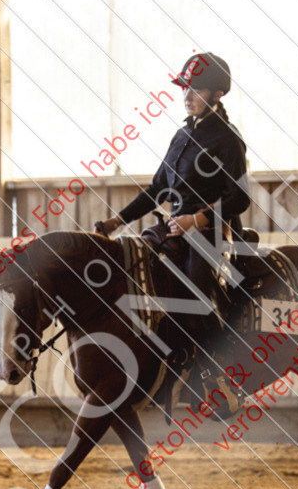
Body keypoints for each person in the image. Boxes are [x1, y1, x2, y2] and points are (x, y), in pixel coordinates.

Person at [95, 52, 250, 329]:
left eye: (196, 90)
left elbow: (239, 198)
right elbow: (158, 189)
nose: (187, 97)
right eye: (184, 89)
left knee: (198, 290)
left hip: (214, 232)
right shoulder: (181, 136)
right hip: (174, 227)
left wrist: (196, 220)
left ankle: (214, 357)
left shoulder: (228, 138)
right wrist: (117, 221)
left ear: (217, 95)